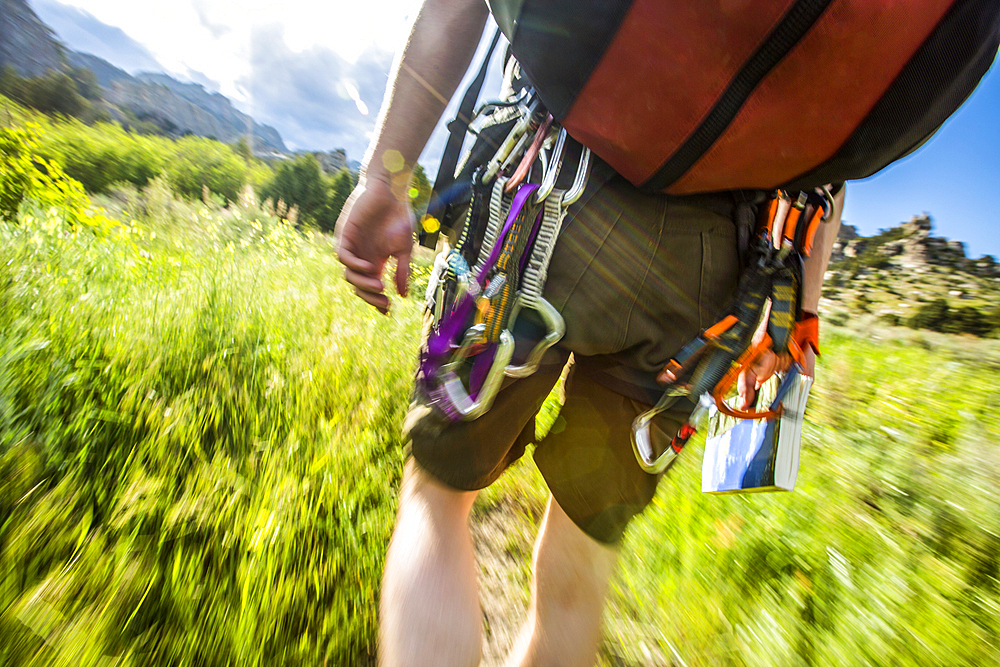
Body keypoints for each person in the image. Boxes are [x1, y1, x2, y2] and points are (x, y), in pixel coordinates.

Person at [336, 0, 841, 665]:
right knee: (585, 552)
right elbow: (840, 134)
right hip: (707, 267)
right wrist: (796, 316)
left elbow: (454, 8)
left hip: (542, 189)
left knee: (437, 494)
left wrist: (385, 176)